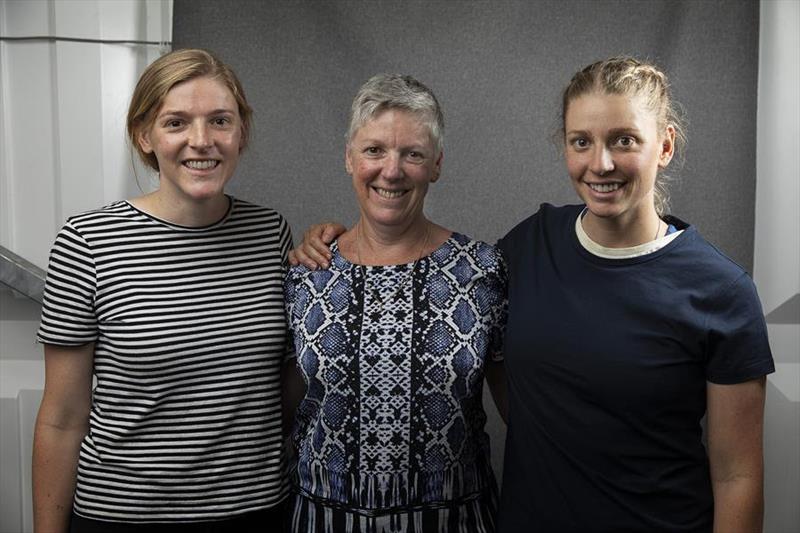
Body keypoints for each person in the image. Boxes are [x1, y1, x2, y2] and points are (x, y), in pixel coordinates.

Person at [289, 57, 774, 532]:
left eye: (624, 140)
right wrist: (324, 242)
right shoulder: (528, 248)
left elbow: (738, 476)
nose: (601, 163)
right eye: (581, 141)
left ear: (664, 146)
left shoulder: (720, 291)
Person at [33, 49, 293, 532]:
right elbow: (62, 417)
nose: (202, 141)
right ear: (144, 135)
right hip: (124, 517)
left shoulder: (270, 232)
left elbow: (283, 382)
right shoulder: (87, 241)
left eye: (220, 120)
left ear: (241, 133)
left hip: (257, 514)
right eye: (176, 122)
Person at [282, 73, 508, 532]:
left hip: (453, 520)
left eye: (413, 154)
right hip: (325, 519)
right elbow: (279, 410)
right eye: (374, 150)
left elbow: (524, 415)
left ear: (436, 164)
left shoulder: (482, 270)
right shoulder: (306, 272)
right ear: (349, 158)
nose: (392, 170)